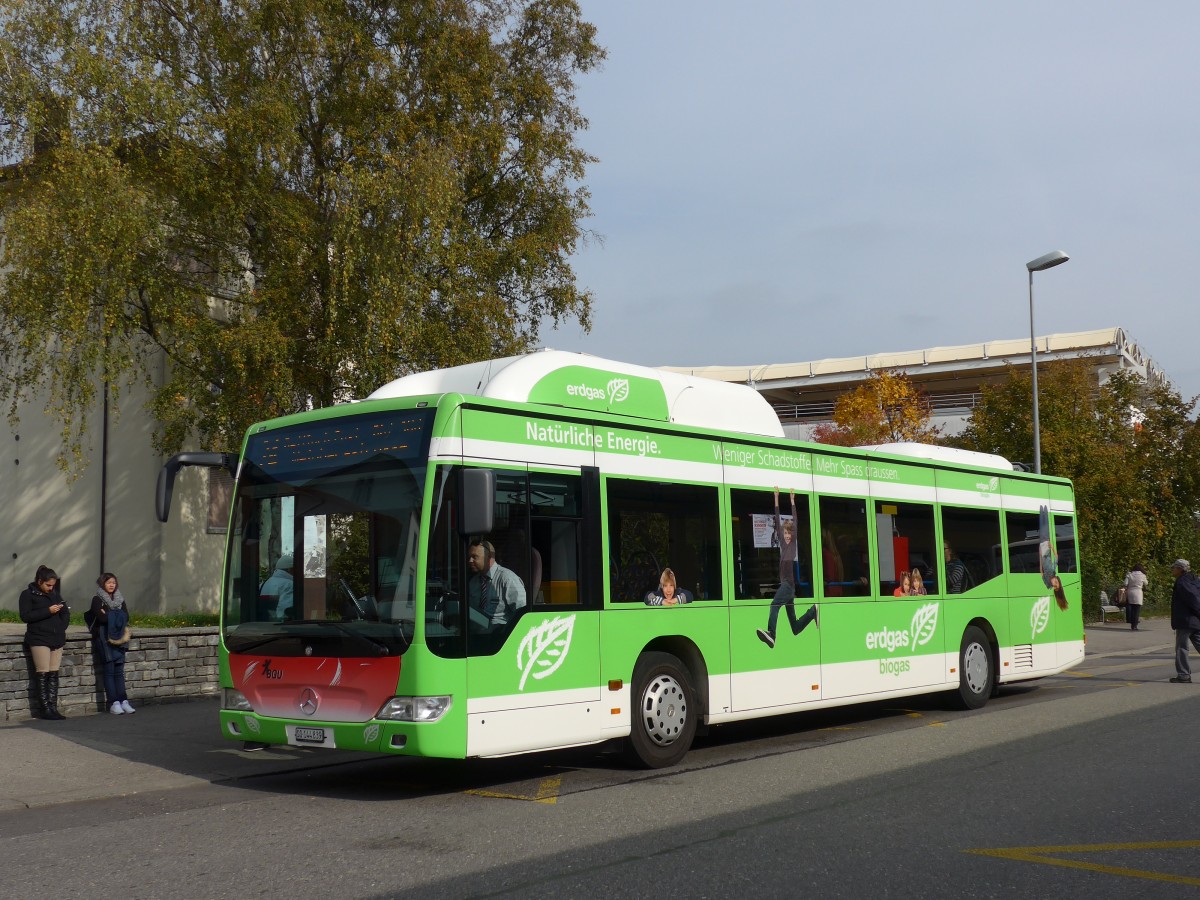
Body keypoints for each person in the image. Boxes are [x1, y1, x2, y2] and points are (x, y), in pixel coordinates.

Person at [756, 488, 817, 648]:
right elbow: (777, 518)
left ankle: (772, 634)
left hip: (788, 584)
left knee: (774, 605)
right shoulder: (783, 544)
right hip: (789, 588)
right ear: (782, 534)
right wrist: (776, 497)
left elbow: (795, 520)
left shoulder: (792, 544)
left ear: (793, 534)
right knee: (795, 628)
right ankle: (812, 612)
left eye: (790, 534)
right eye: (786, 533)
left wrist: (792, 500)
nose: (788, 536)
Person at [19, 564, 70, 720]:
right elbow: (26, 616)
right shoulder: (27, 594)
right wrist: (48, 611)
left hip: (56, 637)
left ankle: (53, 707)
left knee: (53, 673)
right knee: (43, 672)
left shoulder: (55, 594)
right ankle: (45, 709)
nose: (50, 588)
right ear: (39, 581)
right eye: (48, 585)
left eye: (53, 585)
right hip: (39, 637)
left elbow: (65, 612)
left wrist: (62, 626)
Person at [89, 573, 134, 714]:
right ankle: (114, 703)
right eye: (108, 582)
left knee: (119, 671)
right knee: (109, 671)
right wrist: (115, 614)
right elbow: (101, 619)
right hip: (105, 638)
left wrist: (109, 614)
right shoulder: (97, 599)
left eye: (114, 582)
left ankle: (123, 701)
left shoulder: (120, 598)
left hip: (120, 638)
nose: (111, 585)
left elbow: (126, 616)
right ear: (102, 584)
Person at [467, 538, 526, 627]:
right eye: (469, 557)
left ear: (489, 557)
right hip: (477, 629)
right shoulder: (473, 582)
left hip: (500, 632)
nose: (470, 561)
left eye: (475, 557)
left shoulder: (508, 579)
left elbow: (522, 614)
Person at [1169, 559, 1200, 683]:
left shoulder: (1182, 582)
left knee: (1181, 648)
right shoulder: (1194, 579)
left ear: (1180, 569)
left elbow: (1193, 599)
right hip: (1195, 620)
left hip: (1186, 620)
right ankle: (1183, 675)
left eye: (1174, 568)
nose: (1172, 570)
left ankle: (1184, 675)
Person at [259, 554, 295, 621]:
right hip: (279, 626)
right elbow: (286, 610)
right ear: (290, 569)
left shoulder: (265, 583)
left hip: (263, 625)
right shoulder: (289, 585)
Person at [1123, 564, 1149, 631]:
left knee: (1131, 607)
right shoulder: (1142, 575)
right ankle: (1135, 625)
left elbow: (1125, 583)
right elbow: (1146, 583)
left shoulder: (1129, 574)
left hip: (1130, 592)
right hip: (1138, 592)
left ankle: (1131, 622)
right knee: (1137, 609)